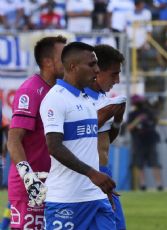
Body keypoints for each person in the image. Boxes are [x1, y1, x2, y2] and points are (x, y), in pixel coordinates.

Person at [40, 41, 116, 229]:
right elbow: (54, 146)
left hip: (96, 197)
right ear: (73, 67)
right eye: (91, 64)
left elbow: (88, 146)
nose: (97, 70)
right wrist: (93, 174)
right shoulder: (55, 99)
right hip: (66, 199)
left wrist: (100, 185)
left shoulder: (87, 100)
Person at [6, 35, 67, 230]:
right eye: (63, 56)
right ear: (48, 62)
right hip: (31, 187)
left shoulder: (59, 91)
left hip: (54, 183)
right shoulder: (31, 90)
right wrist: (29, 178)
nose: (69, 60)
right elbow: (14, 139)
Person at [85, 44, 127, 230]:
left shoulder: (104, 99)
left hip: (104, 173)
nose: (117, 80)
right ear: (97, 70)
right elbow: (78, 136)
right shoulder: (79, 98)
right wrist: (104, 115)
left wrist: (117, 119)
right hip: (86, 175)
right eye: (113, 74)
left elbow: (106, 141)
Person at [127, 95, 163, 191]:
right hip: (139, 142)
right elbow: (129, 128)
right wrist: (138, 120)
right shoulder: (132, 114)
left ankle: (159, 185)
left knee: (155, 163)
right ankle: (143, 185)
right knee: (139, 164)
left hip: (151, 140)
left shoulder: (149, 112)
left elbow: (155, 121)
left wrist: (156, 108)